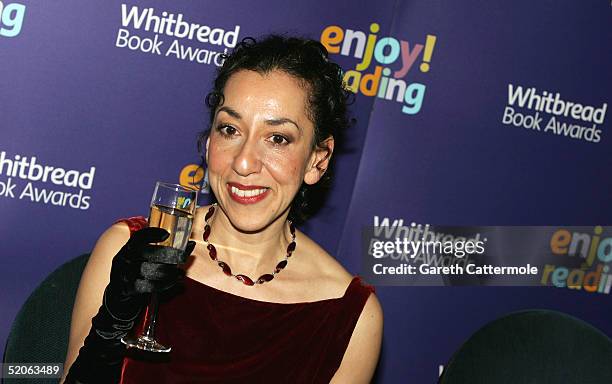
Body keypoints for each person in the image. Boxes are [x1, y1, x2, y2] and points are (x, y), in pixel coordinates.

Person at [62, 34, 383, 383]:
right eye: (230, 129)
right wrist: (111, 329)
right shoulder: (130, 249)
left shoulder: (349, 315)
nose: (244, 162)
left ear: (317, 161)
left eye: (277, 138)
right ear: (210, 140)